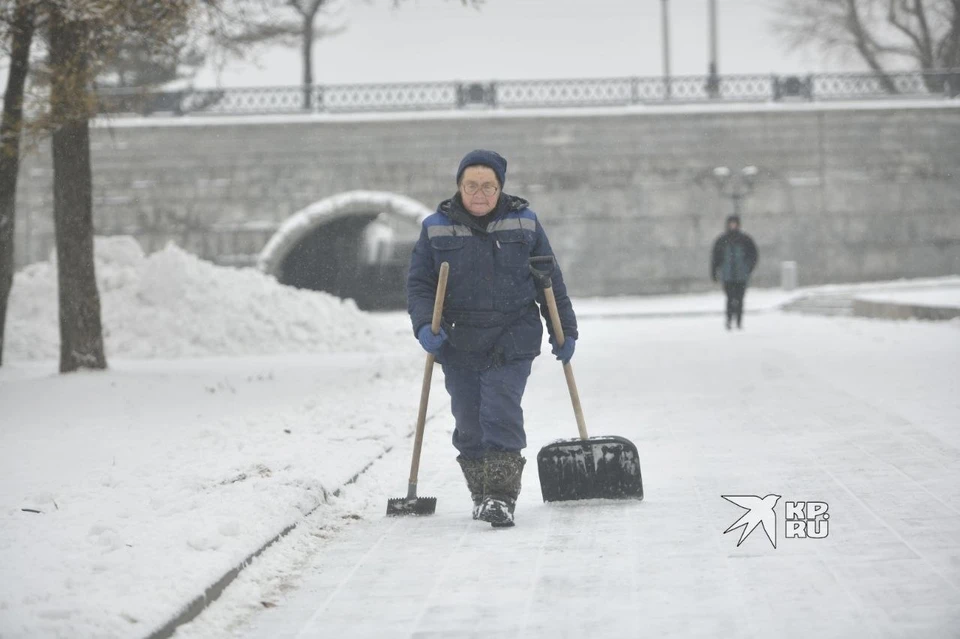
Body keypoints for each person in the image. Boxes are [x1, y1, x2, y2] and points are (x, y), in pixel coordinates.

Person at [407, 149, 578, 528]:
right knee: (468, 421)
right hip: (458, 336)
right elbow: (419, 285)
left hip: (512, 332)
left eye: (488, 186)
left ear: (500, 188)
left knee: (500, 408)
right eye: (472, 186)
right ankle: (481, 492)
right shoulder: (435, 227)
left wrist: (564, 330)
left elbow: (551, 282)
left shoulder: (525, 224)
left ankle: (501, 497)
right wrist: (424, 326)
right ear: (459, 187)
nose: (479, 194)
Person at [711, 214, 759, 330]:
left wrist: (748, 268)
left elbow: (753, 255)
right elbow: (715, 257)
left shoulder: (745, 239)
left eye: (734, 223)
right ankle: (729, 319)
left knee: (740, 298)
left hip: (741, 275)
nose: (732, 225)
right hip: (728, 275)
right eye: (731, 223)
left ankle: (738, 320)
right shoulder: (722, 240)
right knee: (730, 298)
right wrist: (714, 272)